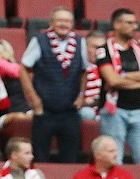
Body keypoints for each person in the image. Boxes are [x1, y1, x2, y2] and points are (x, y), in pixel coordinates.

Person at [20, 8, 89, 164]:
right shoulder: (39, 41)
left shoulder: (80, 42)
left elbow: (84, 70)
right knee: (40, 157)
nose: (63, 24)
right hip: (45, 110)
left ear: (72, 24)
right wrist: (34, 99)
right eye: (59, 20)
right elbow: (23, 69)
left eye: (67, 21)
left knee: (70, 158)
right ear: (51, 23)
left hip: (70, 111)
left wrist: (81, 95)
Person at [95, 8, 140, 166]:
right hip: (114, 111)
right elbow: (112, 80)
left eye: (135, 23)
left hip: (138, 110)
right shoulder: (103, 50)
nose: (134, 27)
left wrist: (123, 76)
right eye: (129, 23)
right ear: (116, 24)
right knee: (115, 160)